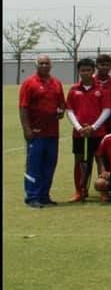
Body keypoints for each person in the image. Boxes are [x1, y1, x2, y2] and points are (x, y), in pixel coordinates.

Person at [20, 55, 66, 208]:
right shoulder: (29, 83)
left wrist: (61, 111)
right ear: (36, 65)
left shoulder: (56, 83)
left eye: (47, 63)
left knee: (49, 165)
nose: (44, 65)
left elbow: (61, 104)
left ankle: (44, 195)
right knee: (34, 165)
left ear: (51, 65)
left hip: (52, 132)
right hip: (36, 132)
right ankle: (32, 197)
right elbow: (23, 107)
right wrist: (27, 129)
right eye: (41, 63)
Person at [65, 58, 111, 202]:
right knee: (79, 161)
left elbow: (107, 110)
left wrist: (93, 127)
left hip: (98, 132)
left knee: (100, 160)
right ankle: (80, 191)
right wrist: (79, 127)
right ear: (78, 71)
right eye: (82, 70)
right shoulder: (74, 89)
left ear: (93, 71)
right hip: (79, 133)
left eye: (88, 70)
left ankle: (103, 191)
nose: (85, 73)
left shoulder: (102, 88)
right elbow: (69, 110)